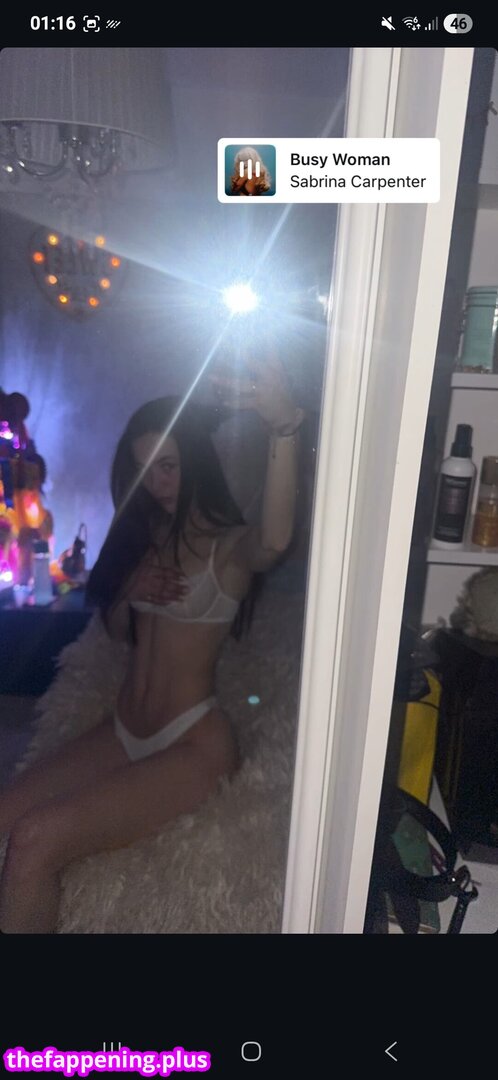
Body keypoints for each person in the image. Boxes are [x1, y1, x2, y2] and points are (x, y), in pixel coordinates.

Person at [0, 352, 305, 933]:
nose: (158, 484)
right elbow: (118, 631)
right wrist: (130, 590)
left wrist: (284, 427)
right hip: (122, 729)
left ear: (195, 461)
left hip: (191, 741)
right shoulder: (149, 535)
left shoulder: (229, 546)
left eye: (168, 466)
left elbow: (274, 540)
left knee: (35, 841)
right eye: (145, 470)